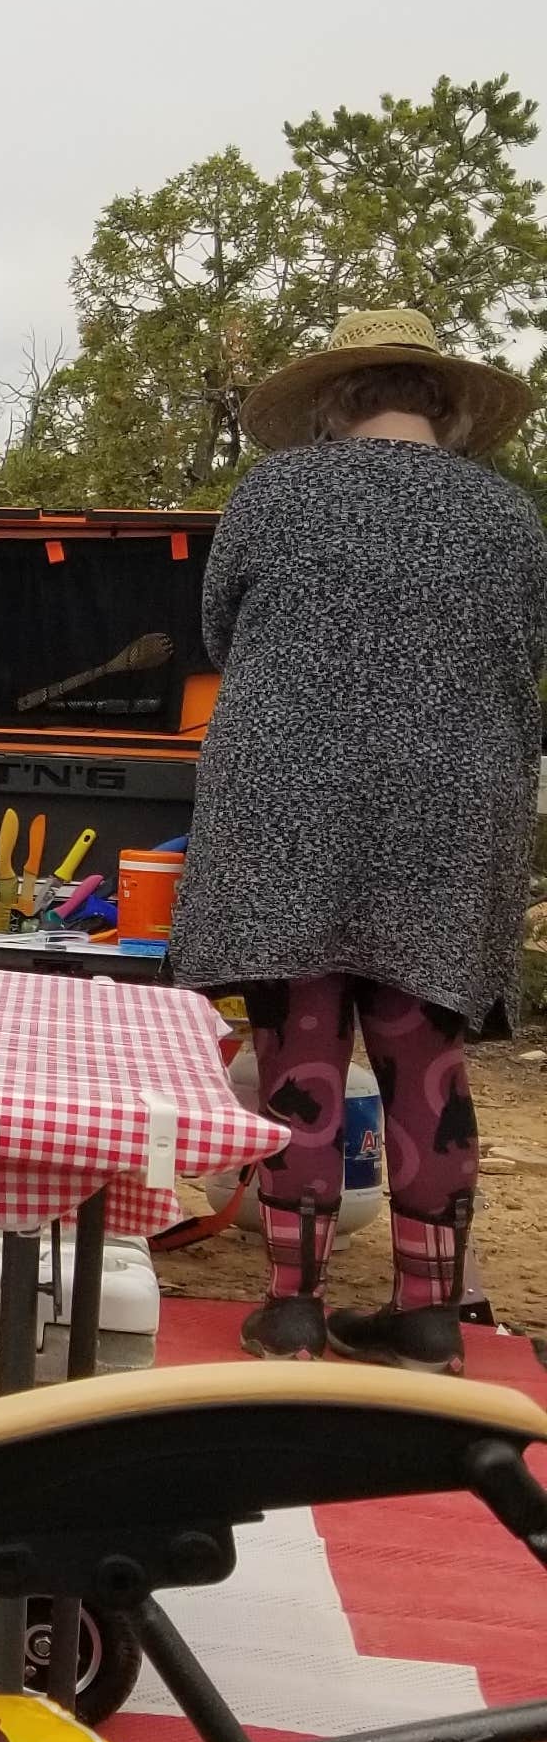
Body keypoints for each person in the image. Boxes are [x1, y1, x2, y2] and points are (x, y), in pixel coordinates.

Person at [170, 306, 547, 1367]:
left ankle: (292, 1307)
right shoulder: (508, 515)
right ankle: (430, 1314)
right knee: (427, 1064)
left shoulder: (275, 492)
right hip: (455, 802)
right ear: (448, 410)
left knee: (303, 1053)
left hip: (288, 788)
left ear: (335, 404)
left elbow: (219, 631)